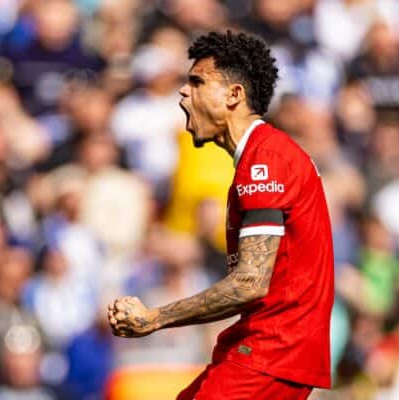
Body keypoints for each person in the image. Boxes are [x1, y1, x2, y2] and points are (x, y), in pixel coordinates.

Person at [108, 30, 334, 399]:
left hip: (272, 351)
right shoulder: (260, 158)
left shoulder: (266, 161)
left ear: (234, 95)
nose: (184, 91)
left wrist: (156, 317)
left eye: (197, 82)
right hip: (262, 348)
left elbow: (250, 282)